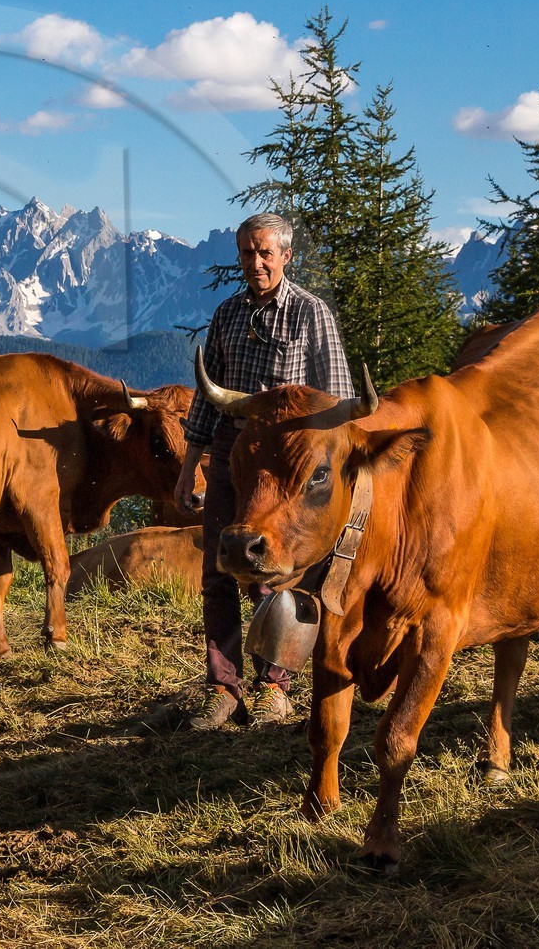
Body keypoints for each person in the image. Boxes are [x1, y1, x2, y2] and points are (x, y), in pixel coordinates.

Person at [173, 212, 354, 728]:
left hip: (287, 463)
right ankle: (223, 686)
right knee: (218, 569)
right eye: (247, 253)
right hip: (236, 452)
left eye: (265, 253)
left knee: (274, 571)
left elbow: (336, 399)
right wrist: (191, 469)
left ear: (286, 256)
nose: (255, 262)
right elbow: (209, 405)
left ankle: (276, 685)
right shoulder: (227, 314)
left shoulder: (310, 314)